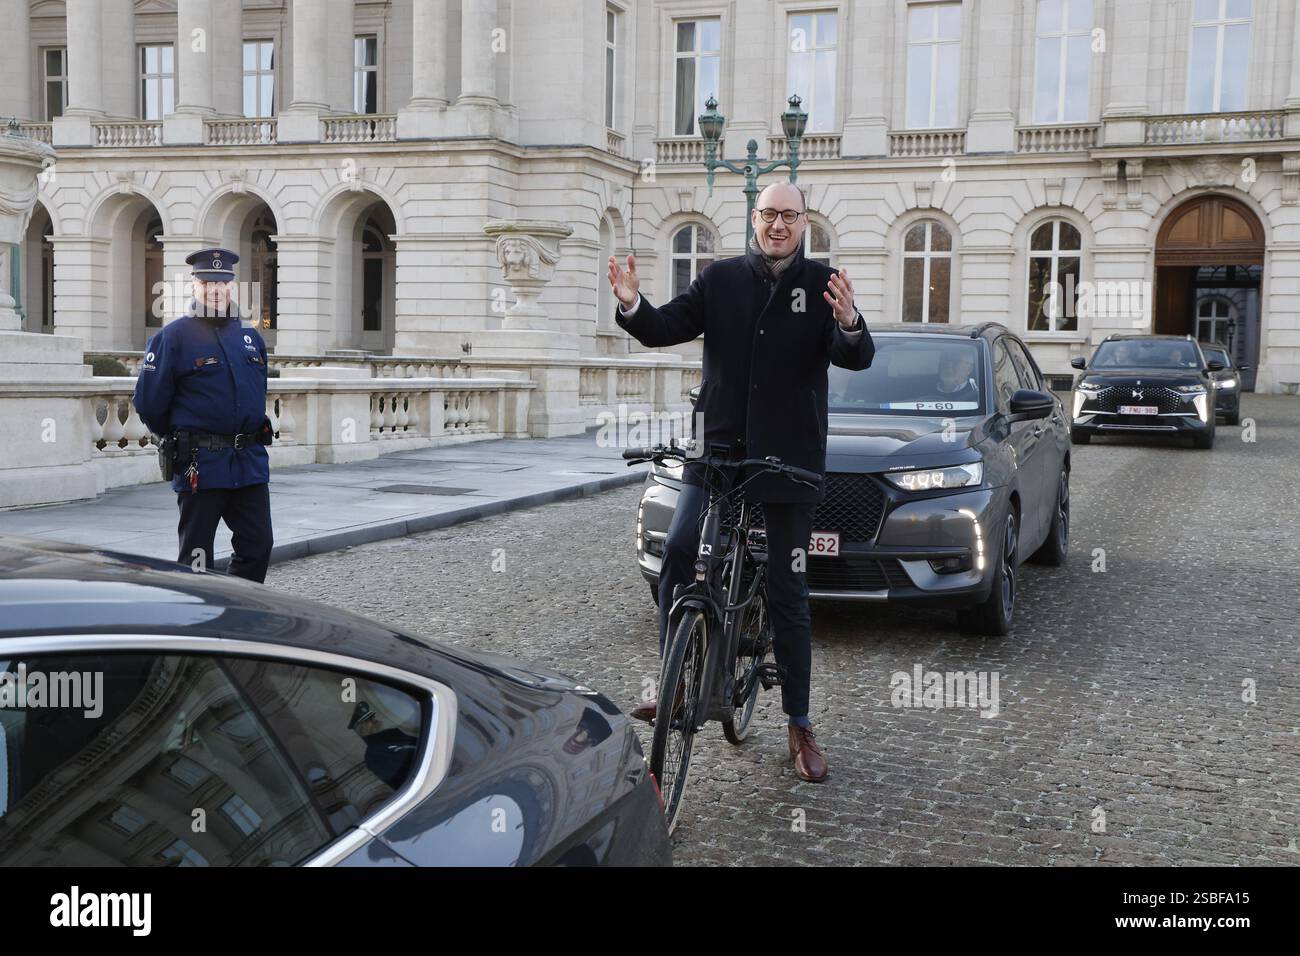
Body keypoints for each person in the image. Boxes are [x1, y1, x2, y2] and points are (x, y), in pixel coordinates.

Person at [607, 181, 874, 782]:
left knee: (788, 590)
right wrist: (632, 303)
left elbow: (854, 354)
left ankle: (799, 723)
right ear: (754, 218)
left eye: (789, 216)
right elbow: (663, 326)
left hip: (790, 461)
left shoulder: (821, 283)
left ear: (804, 223)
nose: (777, 225)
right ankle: (678, 684)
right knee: (677, 550)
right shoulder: (720, 278)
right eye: (768, 214)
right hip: (717, 451)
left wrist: (851, 322)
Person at [132, 248, 275, 583]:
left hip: (249, 464)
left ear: (231, 287)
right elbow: (149, 403)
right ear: (194, 286)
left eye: (222, 282)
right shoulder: (172, 338)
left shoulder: (250, 338)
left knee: (258, 546)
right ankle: (198, 621)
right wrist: (183, 438)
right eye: (207, 282)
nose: (215, 289)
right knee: (197, 558)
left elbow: (259, 390)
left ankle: (238, 610)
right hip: (201, 465)